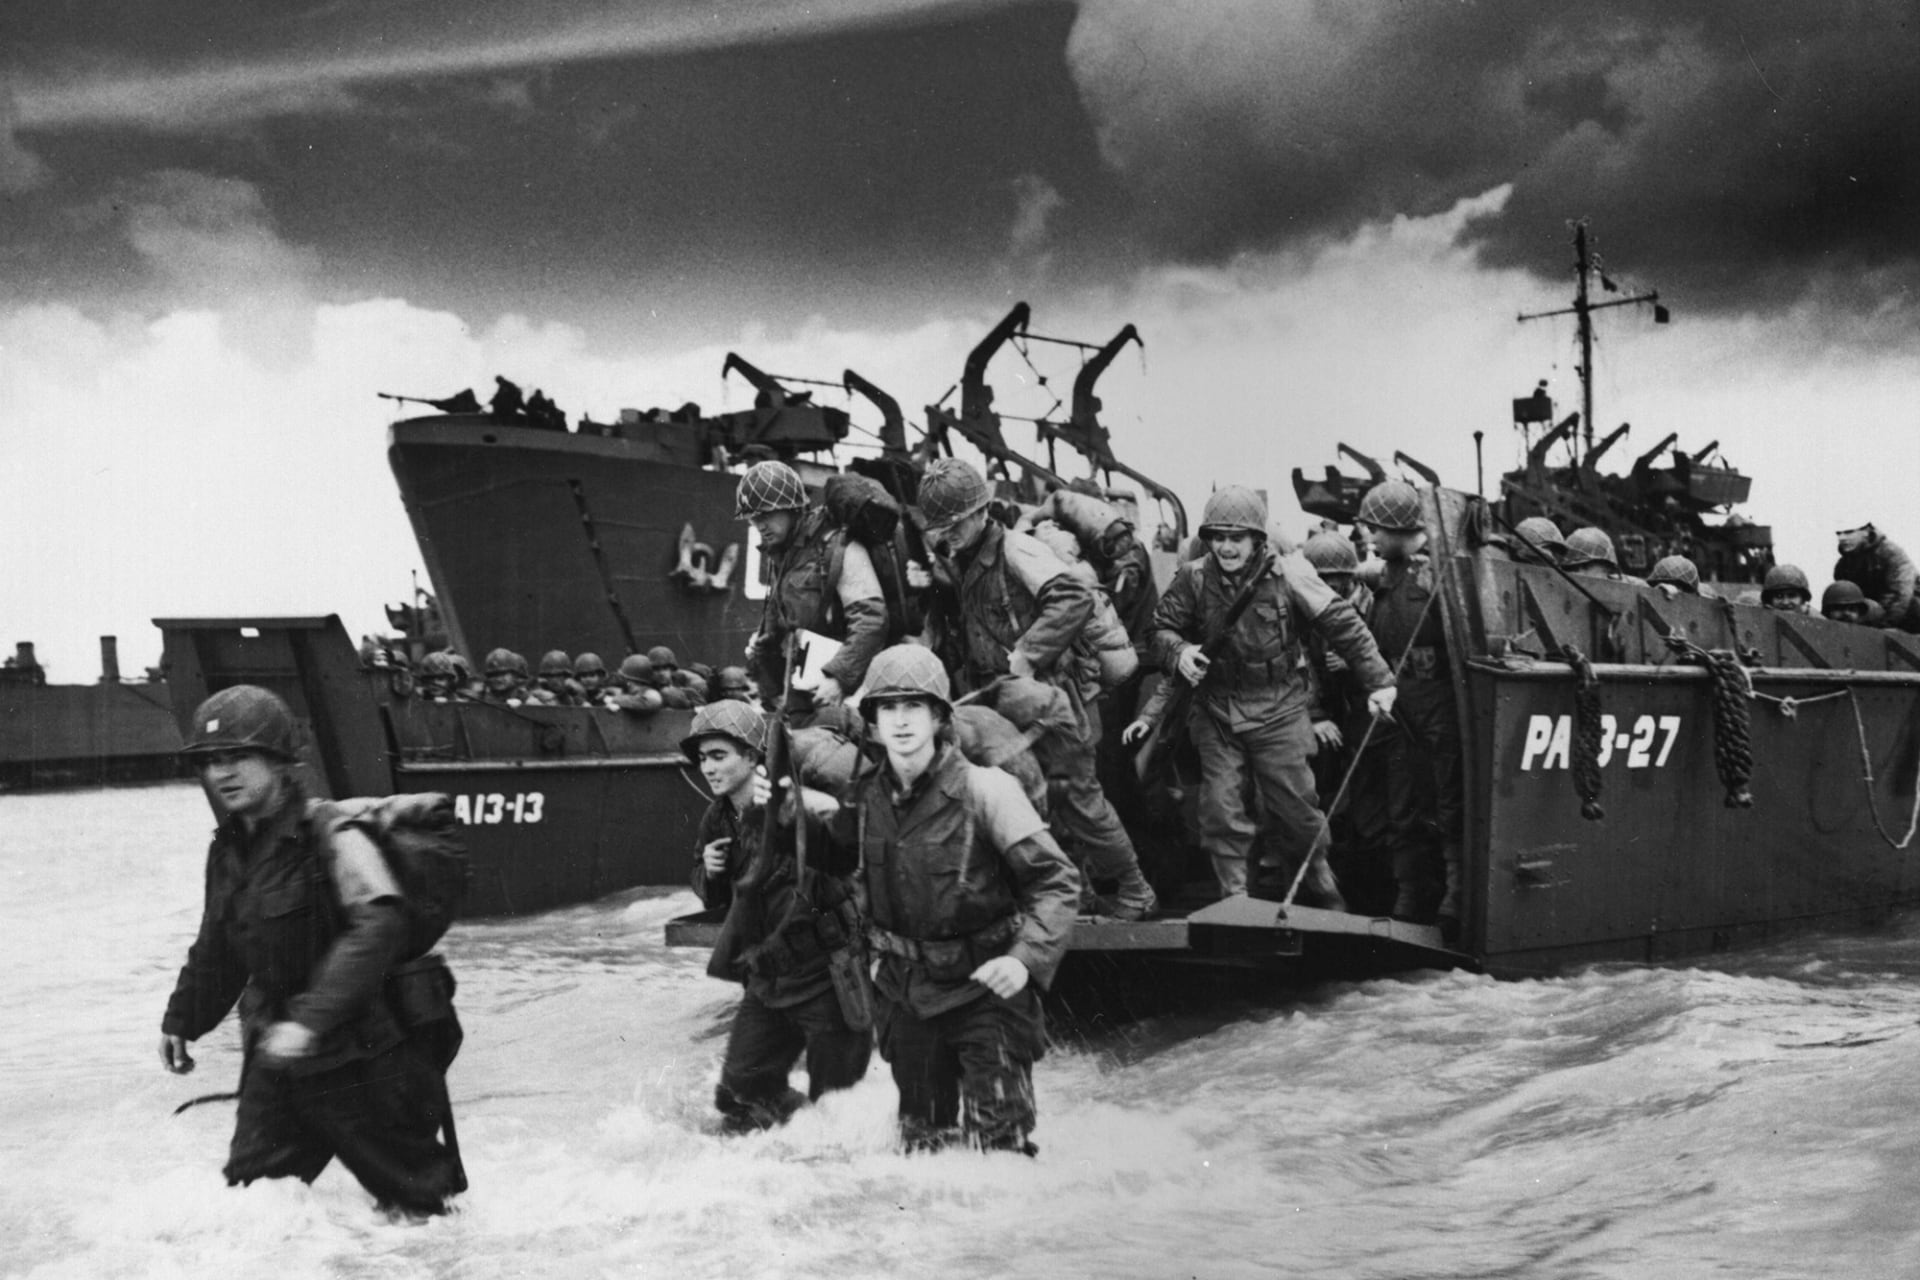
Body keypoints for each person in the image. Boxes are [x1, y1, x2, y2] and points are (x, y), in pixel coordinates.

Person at [159, 686, 465, 1217]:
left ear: (279, 762)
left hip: (368, 1055)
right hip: (278, 1054)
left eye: (238, 757)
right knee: (256, 1203)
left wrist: (310, 1022)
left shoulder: (332, 833)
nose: (222, 773)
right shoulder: (229, 850)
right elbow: (219, 946)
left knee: (416, 1212)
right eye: (210, 761)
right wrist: (183, 1019)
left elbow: (379, 923)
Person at [829, 644, 1079, 1154]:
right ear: (872, 721)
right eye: (888, 708)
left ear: (939, 715)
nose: (900, 721)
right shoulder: (863, 800)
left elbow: (1056, 881)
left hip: (987, 991)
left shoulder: (987, 790)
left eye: (913, 706)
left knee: (999, 1151)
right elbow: (841, 885)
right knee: (923, 1149)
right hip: (907, 995)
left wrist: (1025, 960)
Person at [917, 457, 1156, 920]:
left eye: (955, 522)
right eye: (941, 526)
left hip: (1056, 701)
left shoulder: (1016, 550)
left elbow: (1073, 597)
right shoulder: (962, 562)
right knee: (1037, 803)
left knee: (1080, 802)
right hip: (1006, 705)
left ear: (979, 512)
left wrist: (1028, 652)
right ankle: (1077, 895)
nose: (948, 533)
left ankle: (1136, 890)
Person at [1145, 485, 1396, 904]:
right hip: (1218, 709)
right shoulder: (1193, 578)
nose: (1226, 547)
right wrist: (1179, 651)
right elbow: (1158, 630)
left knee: (1297, 812)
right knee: (1221, 810)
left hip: (1279, 707)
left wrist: (1380, 683)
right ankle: (1235, 898)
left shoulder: (1290, 574)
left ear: (1257, 539)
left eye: (1236, 537)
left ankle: (1318, 877)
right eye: (1218, 537)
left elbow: (1343, 624)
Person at [684, 700, 871, 1131]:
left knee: (841, 1108)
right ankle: (793, 1144)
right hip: (767, 977)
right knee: (737, 1094)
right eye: (702, 759)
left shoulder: (804, 804)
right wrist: (709, 873)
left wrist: (789, 818)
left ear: (752, 757)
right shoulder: (717, 818)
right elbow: (710, 890)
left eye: (719, 756)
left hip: (826, 974)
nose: (708, 768)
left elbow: (847, 866)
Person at [1355, 480, 1466, 936]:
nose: (1370, 538)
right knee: (1402, 803)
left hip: (1437, 701)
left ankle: (1456, 894)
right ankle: (1410, 893)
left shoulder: (1442, 573)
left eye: (1376, 529)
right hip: (1396, 704)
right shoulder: (1388, 573)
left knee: (1448, 800)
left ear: (1400, 527)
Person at [735, 460, 891, 712]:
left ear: (793, 509)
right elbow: (779, 623)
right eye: (753, 517)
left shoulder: (836, 547)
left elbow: (871, 619)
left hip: (848, 692)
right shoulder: (784, 554)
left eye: (766, 514)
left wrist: (838, 679)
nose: (759, 524)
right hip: (805, 686)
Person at [1834, 525, 1919, 630]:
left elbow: (1900, 595)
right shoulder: (1843, 566)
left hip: (1908, 616)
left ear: (1866, 532)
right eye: (1838, 533)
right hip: (1872, 617)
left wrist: (1884, 626)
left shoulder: (1892, 554)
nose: (1841, 538)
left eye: (1848, 532)